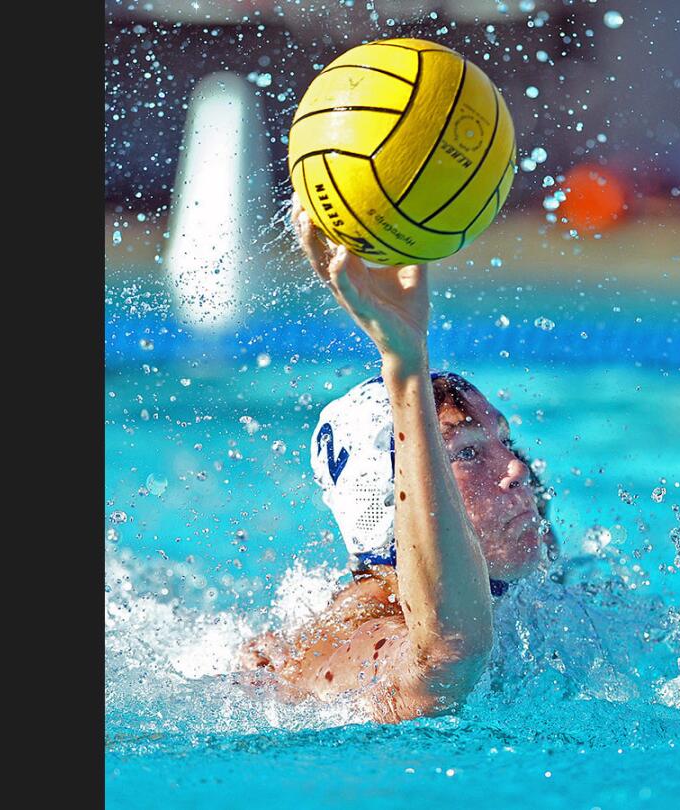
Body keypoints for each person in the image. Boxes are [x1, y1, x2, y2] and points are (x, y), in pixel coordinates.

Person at [236, 200, 558, 723]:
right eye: (469, 452)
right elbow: (443, 662)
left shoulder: (526, 592)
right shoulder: (362, 633)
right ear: (391, 497)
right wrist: (405, 365)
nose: (517, 469)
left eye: (505, 441)